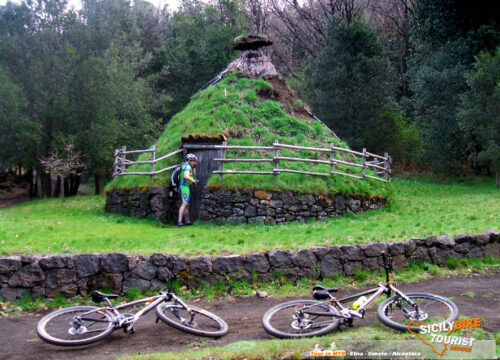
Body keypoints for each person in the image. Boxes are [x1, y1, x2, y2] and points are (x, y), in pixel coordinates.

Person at [177, 153, 198, 226]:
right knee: (184, 204)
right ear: (189, 161)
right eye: (194, 161)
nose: (195, 163)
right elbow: (186, 176)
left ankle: (187, 221)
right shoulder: (187, 167)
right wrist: (193, 181)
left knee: (187, 205)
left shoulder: (188, 166)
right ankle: (179, 221)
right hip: (184, 186)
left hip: (186, 186)